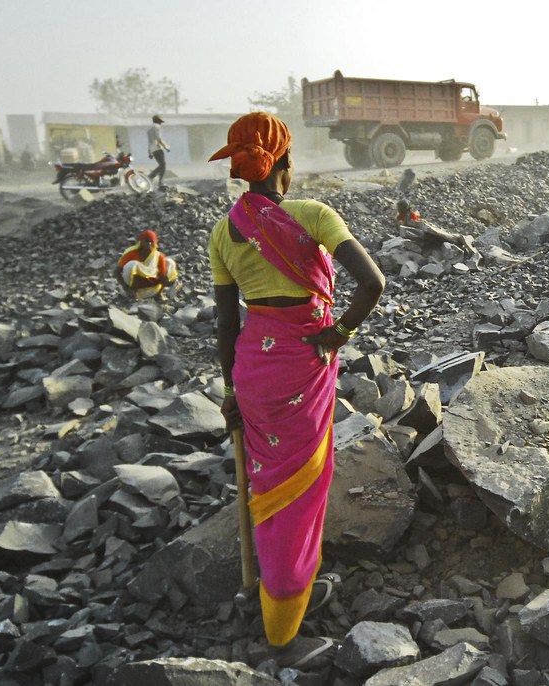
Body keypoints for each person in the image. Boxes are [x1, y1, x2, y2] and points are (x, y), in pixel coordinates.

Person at [208, 112, 385, 663]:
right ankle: (282, 628)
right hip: (302, 366)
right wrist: (337, 334)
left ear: (239, 168)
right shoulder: (312, 215)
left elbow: (226, 324)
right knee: (301, 487)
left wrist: (231, 393)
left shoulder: (223, 232)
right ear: (285, 162)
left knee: (268, 485)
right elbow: (372, 283)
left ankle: (282, 588)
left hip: (254, 373)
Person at [113, 229, 178, 299]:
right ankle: (133, 292)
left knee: (169, 262)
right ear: (141, 242)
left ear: (155, 243)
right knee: (133, 265)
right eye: (147, 241)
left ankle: (158, 295)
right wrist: (126, 288)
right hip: (131, 289)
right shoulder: (131, 254)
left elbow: (163, 278)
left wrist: (160, 292)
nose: (149, 244)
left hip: (151, 290)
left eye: (152, 242)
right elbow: (116, 272)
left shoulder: (158, 257)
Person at [147, 115, 171, 189]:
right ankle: (160, 182)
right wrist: (165, 147)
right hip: (158, 148)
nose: (161, 124)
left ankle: (150, 177)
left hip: (153, 149)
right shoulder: (157, 127)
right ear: (157, 121)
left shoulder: (149, 129)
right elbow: (158, 138)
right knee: (163, 165)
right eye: (160, 122)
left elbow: (150, 141)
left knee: (161, 164)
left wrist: (149, 152)